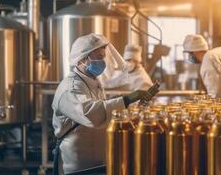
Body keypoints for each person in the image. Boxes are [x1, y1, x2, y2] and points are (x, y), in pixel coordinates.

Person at [52, 33, 154, 175]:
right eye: (99, 58)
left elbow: (103, 108)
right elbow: (91, 114)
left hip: (96, 158)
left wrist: (133, 107)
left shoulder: (92, 80)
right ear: (83, 59)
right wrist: (126, 99)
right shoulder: (71, 88)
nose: (103, 61)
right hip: (78, 163)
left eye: (103, 57)